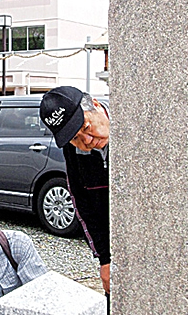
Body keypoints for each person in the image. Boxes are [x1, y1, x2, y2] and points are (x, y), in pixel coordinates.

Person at [39, 86, 110, 301]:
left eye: (86, 127)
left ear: (95, 105)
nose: (86, 141)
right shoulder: (74, 150)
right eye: (76, 138)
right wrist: (105, 260)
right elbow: (83, 204)